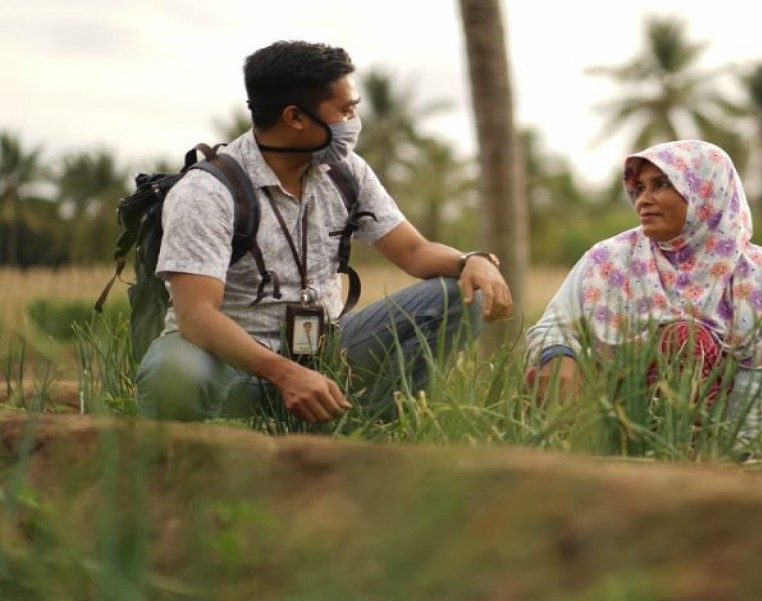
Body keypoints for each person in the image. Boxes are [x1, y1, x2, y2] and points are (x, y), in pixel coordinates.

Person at [136, 40, 513, 423]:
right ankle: (189, 459)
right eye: (345, 110)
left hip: (326, 353)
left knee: (456, 295)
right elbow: (196, 315)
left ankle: (374, 429)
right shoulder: (206, 192)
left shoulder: (346, 171)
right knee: (174, 373)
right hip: (232, 366)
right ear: (296, 118)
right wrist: (285, 373)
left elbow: (414, 252)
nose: (354, 122)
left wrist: (470, 262)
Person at [525, 140, 762, 443]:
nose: (643, 200)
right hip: (604, 417)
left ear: (706, 190)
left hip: (713, 436)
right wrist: (558, 357)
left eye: (661, 184)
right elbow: (551, 326)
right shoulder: (609, 258)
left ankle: (678, 461)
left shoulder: (752, 271)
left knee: (684, 340)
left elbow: (758, 378)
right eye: (639, 188)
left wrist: (740, 455)